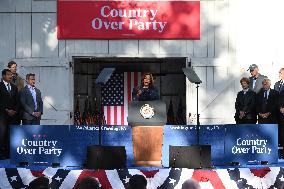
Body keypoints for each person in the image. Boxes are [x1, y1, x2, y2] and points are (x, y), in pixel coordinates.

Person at [0, 69, 20, 159]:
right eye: (8, 74)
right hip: (2, 115)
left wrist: (14, 110)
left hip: (13, 116)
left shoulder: (14, 87)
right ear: (3, 76)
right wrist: (6, 110)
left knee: (11, 134)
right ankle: (1, 153)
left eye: (11, 75)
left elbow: (17, 101)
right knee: (2, 134)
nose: (10, 76)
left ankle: (9, 153)